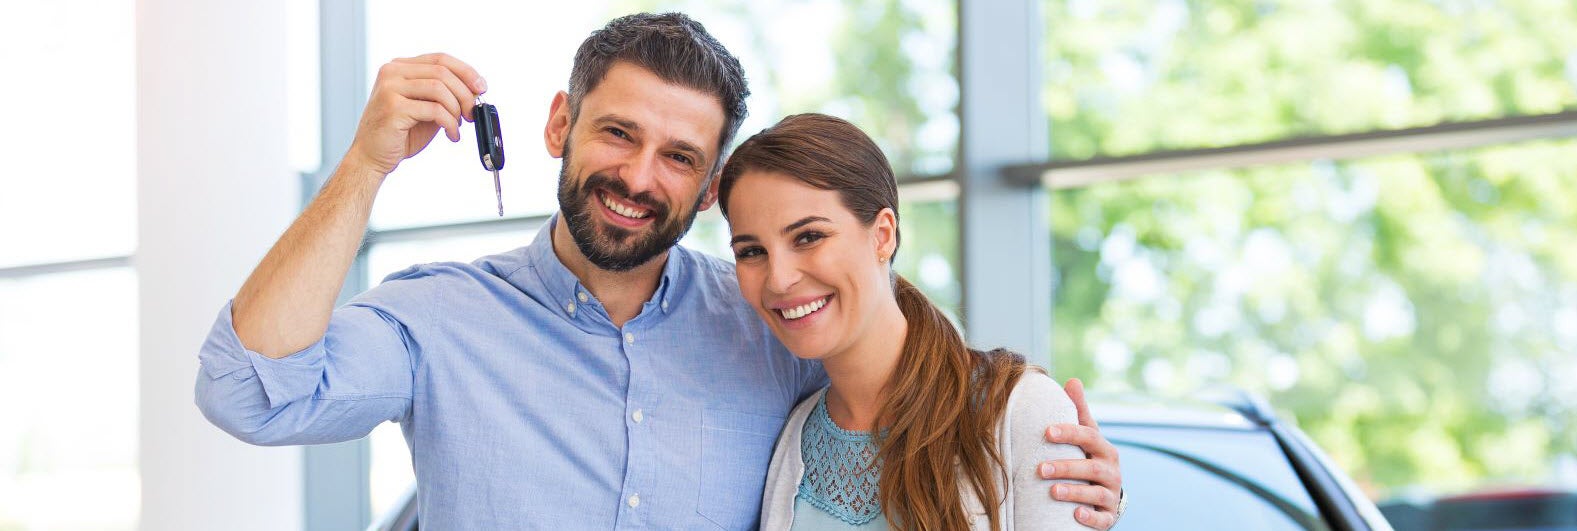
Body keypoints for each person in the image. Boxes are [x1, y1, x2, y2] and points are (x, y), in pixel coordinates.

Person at [194, 12, 1123, 529]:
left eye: (679, 156)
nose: (640, 177)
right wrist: (365, 165)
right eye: (617, 133)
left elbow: (908, 397)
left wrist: (1057, 457)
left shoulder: (768, 322)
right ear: (561, 125)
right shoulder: (441, 319)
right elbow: (248, 389)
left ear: (711, 184)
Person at [719, 114, 1102, 530]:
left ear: (883, 235)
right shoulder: (793, 438)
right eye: (752, 251)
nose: (779, 278)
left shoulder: (1018, 410)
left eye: (808, 237)